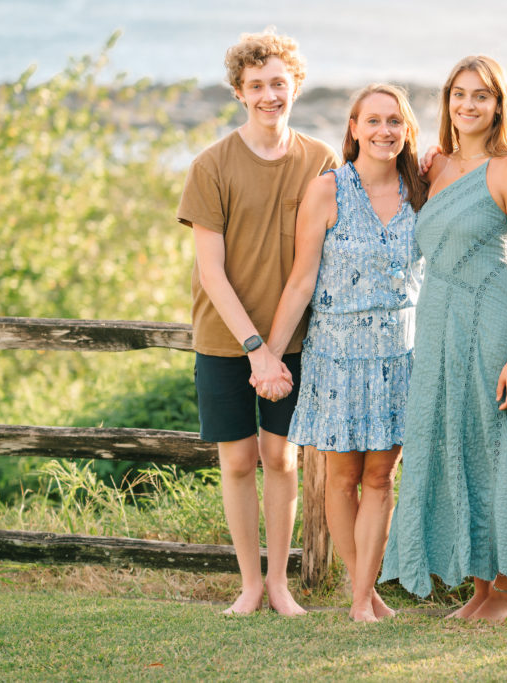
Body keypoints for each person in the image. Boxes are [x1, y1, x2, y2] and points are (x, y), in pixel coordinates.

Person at [380, 55, 507, 624]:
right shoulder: (435, 167)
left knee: (493, 444)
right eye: (459, 94)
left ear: (499, 103)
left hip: (490, 316)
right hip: (436, 317)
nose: (468, 105)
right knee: (451, 438)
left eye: (481, 95)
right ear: (447, 102)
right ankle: (479, 586)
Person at [176, 28, 340, 615]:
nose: (269, 94)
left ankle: (280, 584)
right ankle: (249, 583)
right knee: (239, 460)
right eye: (256, 86)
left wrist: (275, 348)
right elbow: (211, 271)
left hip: (295, 338)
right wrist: (255, 350)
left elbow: (317, 258)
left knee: (282, 458)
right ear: (239, 93)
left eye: (278, 83)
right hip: (225, 341)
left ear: (294, 84)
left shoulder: (321, 160)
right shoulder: (210, 165)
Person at [258, 84, 427, 623]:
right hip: (336, 357)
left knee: (381, 479)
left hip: (398, 355)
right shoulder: (328, 189)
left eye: (394, 121)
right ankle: (365, 597)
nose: (384, 131)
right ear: (353, 128)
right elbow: (301, 281)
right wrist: (271, 355)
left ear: (406, 130)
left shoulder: (419, 190)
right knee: (341, 479)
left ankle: (361, 598)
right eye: (373, 120)